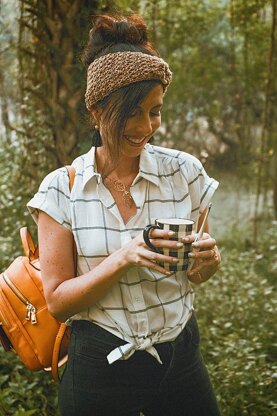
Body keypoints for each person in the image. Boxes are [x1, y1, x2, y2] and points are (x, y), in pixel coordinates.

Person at [27, 14, 221, 416]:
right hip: (100, 365)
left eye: (155, 111)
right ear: (97, 111)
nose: (145, 127)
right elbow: (58, 302)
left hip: (180, 357)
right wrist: (126, 256)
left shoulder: (183, 172)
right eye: (131, 112)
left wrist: (207, 262)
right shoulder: (61, 188)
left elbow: (197, 271)